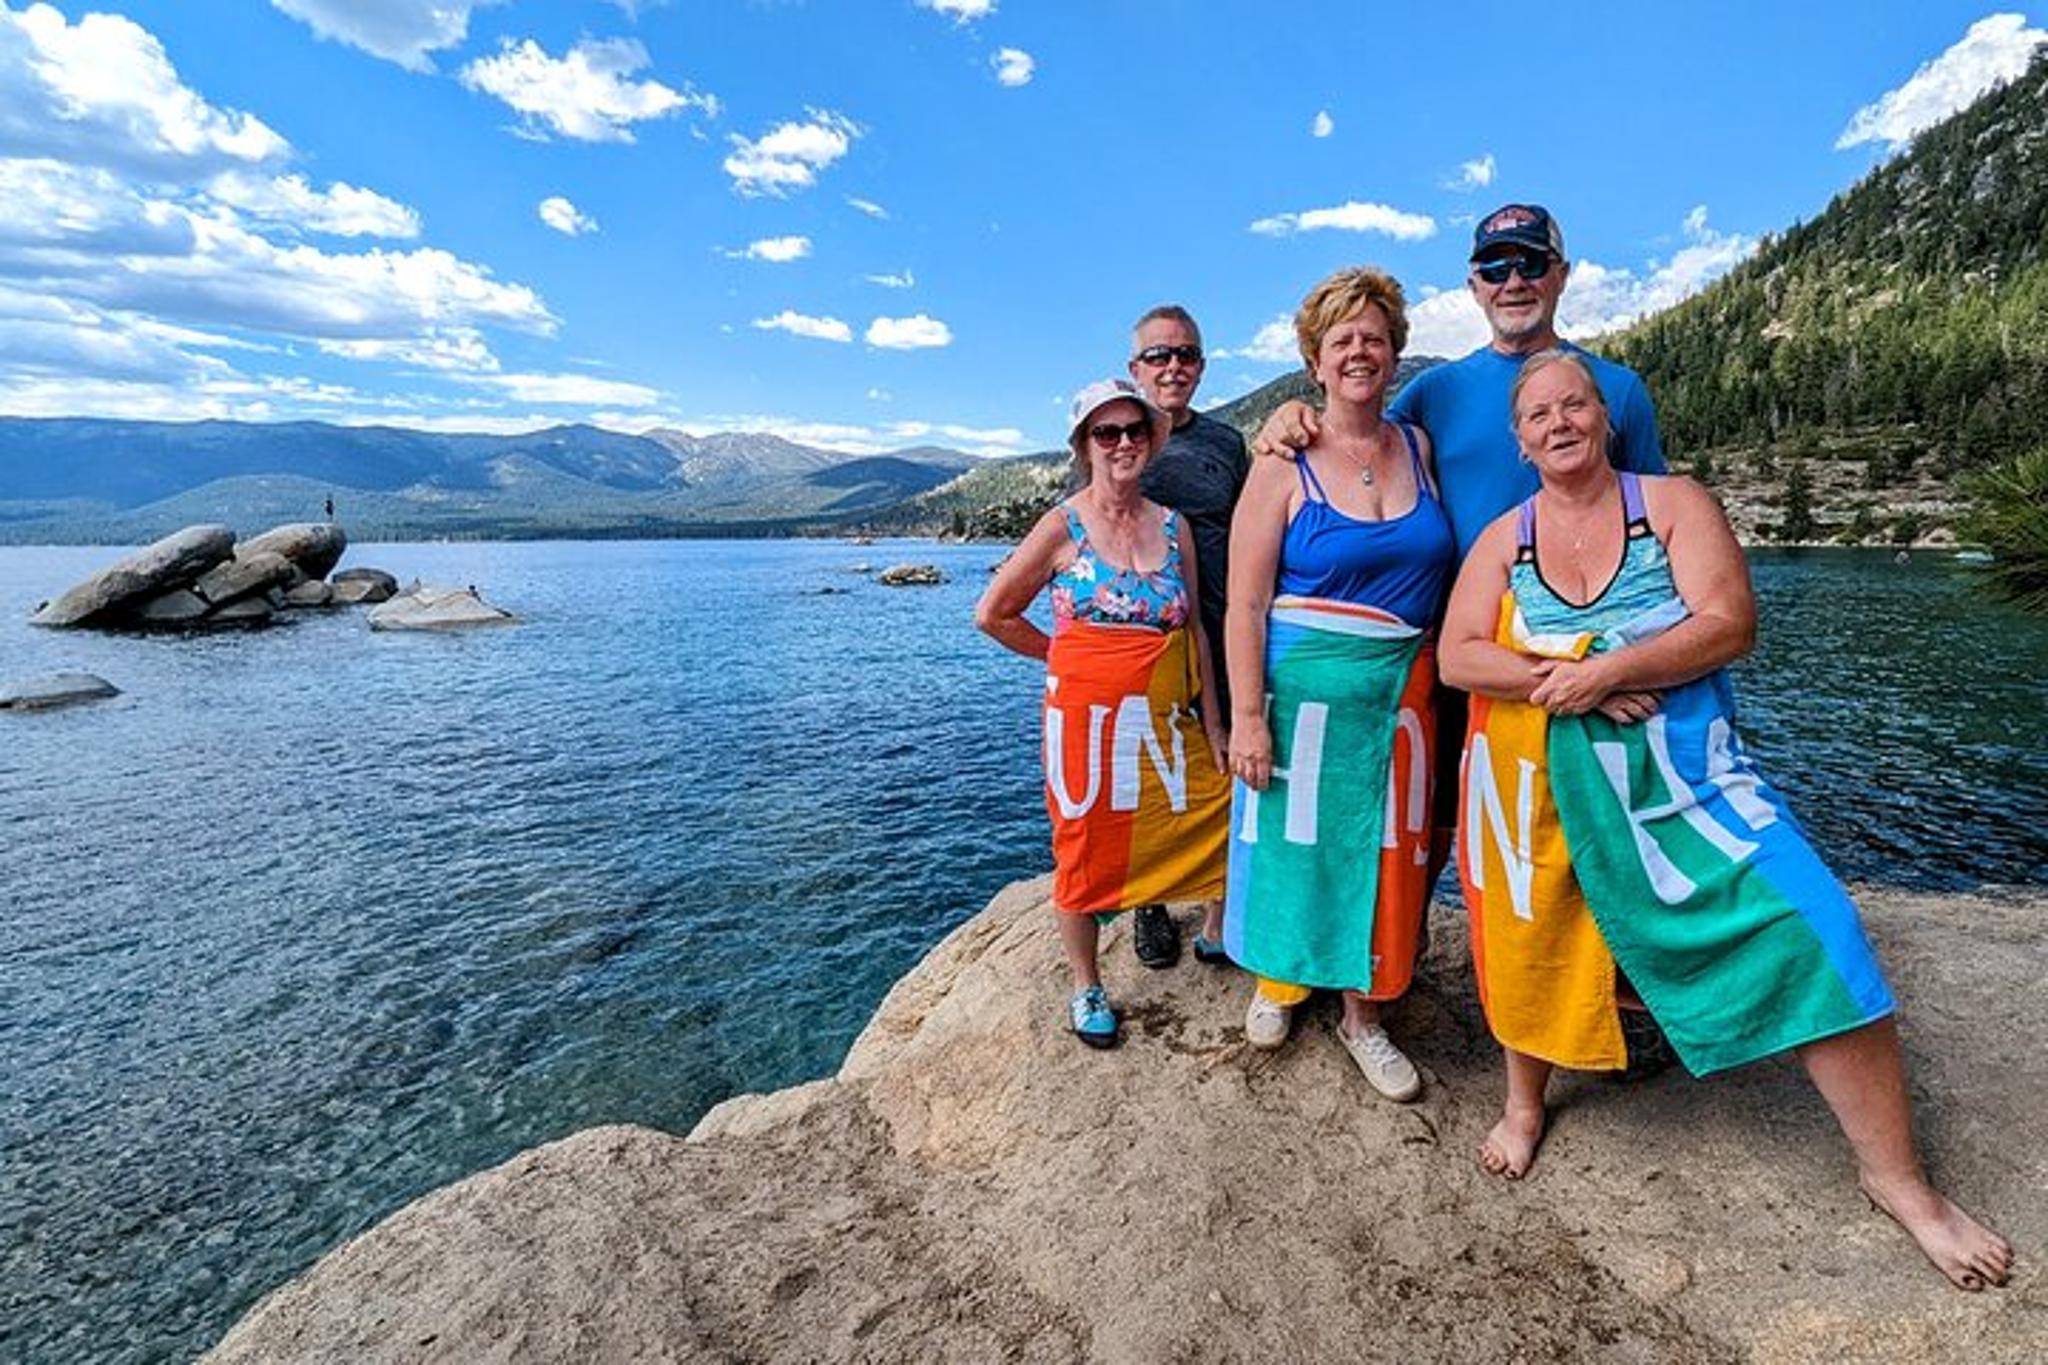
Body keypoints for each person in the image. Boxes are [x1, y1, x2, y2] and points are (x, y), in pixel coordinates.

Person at [1439, 349, 2012, 1292]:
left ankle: (1897, 1179)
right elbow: (1461, 657)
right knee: (1529, 925)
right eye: (1537, 413)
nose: (1557, 422)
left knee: (1816, 922)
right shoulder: (1507, 536)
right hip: (1545, 786)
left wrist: (1611, 671)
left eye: (1573, 403)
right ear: (1519, 438)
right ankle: (1523, 1104)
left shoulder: (1669, 504)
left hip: (1688, 784)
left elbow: (1729, 621)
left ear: (1604, 415)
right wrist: (1573, 679)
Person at [1255, 205, 1668, 896]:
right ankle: (1404, 958)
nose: (1513, 280)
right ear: (1474, 286)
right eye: (1494, 267)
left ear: (1561, 276)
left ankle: (1607, 976)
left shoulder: (1616, 392)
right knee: (1436, 818)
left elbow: (1653, 531)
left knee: (1592, 817)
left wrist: (1631, 659)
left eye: (1530, 262)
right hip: (1460, 649)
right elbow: (1357, 438)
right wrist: (1289, 415)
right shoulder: (1432, 393)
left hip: (1584, 646)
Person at [1222, 268, 1454, 1101]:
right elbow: (1245, 600)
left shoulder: (1418, 446)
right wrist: (1247, 716)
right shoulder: (1283, 461)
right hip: (1302, 689)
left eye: (1374, 336)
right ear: (1314, 360)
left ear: (1394, 352)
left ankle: (1364, 1016)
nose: (1360, 350)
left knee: (1385, 853)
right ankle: (1280, 980)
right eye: (1341, 338)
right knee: (1289, 842)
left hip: (1401, 691)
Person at [975, 379, 1231, 1049]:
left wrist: (1216, 720)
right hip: (1085, 726)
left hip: (1170, 714)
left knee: (1220, 808)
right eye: (1106, 433)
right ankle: (1087, 983)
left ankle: (1212, 930)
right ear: (1084, 446)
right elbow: (993, 614)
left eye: (1134, 431)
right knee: (1084, 845)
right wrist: (1064, 656)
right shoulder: (1062, 526)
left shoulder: (1175, 527)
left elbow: (1196, 626)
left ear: (1152, 439)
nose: (1123, 443)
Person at [1128, 304, 1250, 971]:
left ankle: (1215, 907)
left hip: (1222, 624)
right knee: (1146, 771)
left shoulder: (1226, 444)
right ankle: (1149, 902)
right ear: (1135, 368)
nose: (1173, 366)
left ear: (1201, 365)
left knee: (1222, 755)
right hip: (1145, 639)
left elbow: (1252, 526)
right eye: (1158, 356)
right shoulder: (1115, 433)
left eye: (1187, 355)